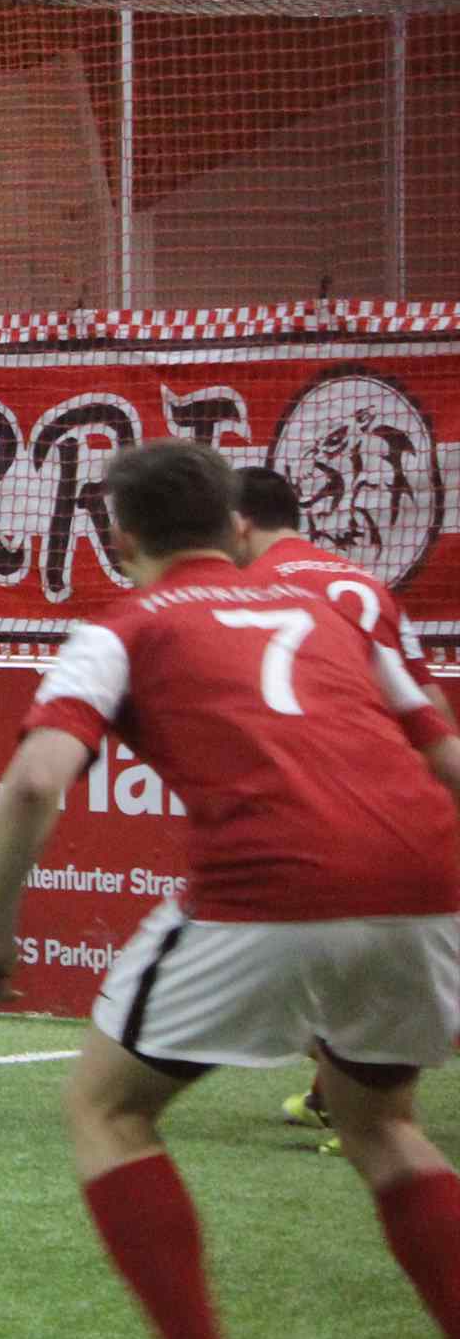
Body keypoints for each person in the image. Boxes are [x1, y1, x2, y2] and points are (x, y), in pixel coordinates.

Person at [0, 440, 460, 1339]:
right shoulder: (331, 611)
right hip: (427, 877)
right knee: (382, 1124)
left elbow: (36, 779)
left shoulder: (125, 626)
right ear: (235, 528)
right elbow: (445, 755)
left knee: (106, 1107)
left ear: (121, 536)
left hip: (267, 885)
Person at [235, 462, 454, 1141]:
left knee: (259, 972)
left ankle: (369, 1112)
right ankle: (336, 1096)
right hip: (403, 804)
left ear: (237, 523)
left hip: (315, 803)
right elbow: (428, 704)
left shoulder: (250, 589)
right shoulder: (364, 584)